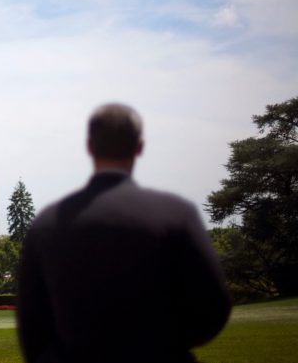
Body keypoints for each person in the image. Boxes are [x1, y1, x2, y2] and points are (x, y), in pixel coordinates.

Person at [16, 103, 231, 363]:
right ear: (139, 147)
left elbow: (31, 323)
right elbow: (213, 307)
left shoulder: (47, 223)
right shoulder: (177, 214)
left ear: (90, 147)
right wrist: (163, 344)